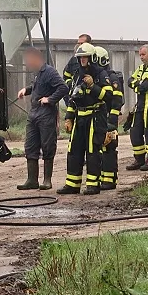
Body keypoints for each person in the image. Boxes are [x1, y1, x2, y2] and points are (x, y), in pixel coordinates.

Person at [57, 43, 114, 196]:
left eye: (85, 57)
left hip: (95, 117)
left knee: (92, 151)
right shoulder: (76, 74)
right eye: (80, 57)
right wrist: (69, 118)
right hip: (79, 117)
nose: (82, 60)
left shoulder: (101, 74)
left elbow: (108, 96)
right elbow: (72, 98)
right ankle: (72, 184)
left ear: (92, 58)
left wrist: (93, 86)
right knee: (74, 150)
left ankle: (93, 185)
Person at [16, 46, 69, 190]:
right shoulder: (38, 74)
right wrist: (25, 90)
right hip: (34, 113)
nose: (27, 63)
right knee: (30, 146)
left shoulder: (49, 72)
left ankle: (47, 180)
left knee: (47, 145)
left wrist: (50, 99)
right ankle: (32, 180)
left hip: (46, 114)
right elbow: (36, 87)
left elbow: (63, 88)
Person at [94, 46, 125, 190]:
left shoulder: (111, 77)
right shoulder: (99, 76)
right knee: (100, 149)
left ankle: (110, 180)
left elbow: (118, 100)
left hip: (108, 120)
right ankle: (103, 178)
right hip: (99, 119)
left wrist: (111, 122)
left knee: (109, 149)